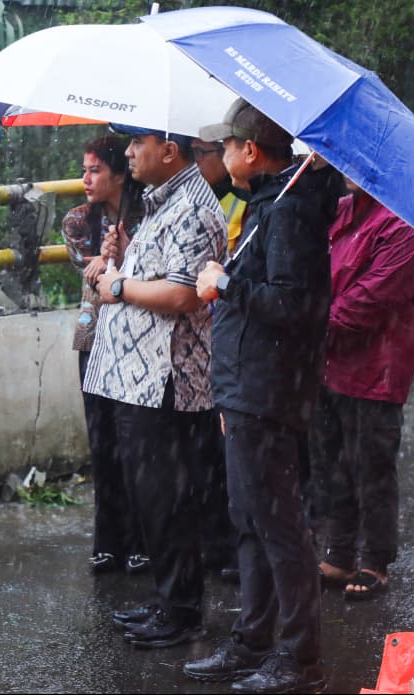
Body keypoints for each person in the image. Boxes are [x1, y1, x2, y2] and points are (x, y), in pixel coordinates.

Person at [186, 98, 339, 693]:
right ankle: (253, 641)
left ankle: (300, 658)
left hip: (267, 390)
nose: (221, 154)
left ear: (249, 151)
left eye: (225, 145)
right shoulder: (268, 203)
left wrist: (225, 284)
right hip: (244, 388)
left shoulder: (291, 212)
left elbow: (295, 305)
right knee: (250, 519)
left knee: (279, 525)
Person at [85, 124, 228, 649]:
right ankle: (168, 598)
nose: (128, 153)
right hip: (137, 376)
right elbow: (161, 273)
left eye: (137, 144)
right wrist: (126, 255)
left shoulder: (193, 207)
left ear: (168, 151)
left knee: (168, 495)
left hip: (165, 377)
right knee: (151, 494)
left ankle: (182, 609)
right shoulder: (163, 201)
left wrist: (120, 285)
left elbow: (184, 295)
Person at [309, 178, 414, 601]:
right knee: (331, 463)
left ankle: (375, 561)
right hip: (329, 361)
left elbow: (371, 300)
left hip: (375, 368)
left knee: (370, 466)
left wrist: (306, 323)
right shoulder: (344, 210)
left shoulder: (407, 227)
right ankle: (339, 552)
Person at [61, 135, 147, 575]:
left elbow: (149, 269)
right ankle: (107, 542)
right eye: (84, 170)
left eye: (95, 170)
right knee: (103, 443)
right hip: (95, 340)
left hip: (140, 340)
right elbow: (92, 274)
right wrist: (108, 258)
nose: (86, 179)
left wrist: (122, 252)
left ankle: (140, 541)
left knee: (137, 443)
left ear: (118, 173)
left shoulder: (147, 211)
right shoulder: (78, 220)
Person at [191, 136, 246, 583]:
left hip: (225, 336)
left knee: (231, 457)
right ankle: (214, 544)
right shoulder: (196, 200)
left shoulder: (243, 203)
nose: (197, 163)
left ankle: (232, 549)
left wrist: (219, 279)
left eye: (202, 153)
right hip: (211, 338)